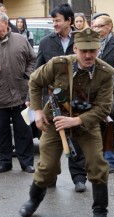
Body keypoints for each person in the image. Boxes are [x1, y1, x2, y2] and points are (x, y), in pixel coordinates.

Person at [19, 27, 114, 217]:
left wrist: (76, 121)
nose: (88, 55)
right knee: (47, 167)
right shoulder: (59, 64)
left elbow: (104, 108)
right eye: (84, 51)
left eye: (93, 50)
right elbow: (35, 81)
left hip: (87, 124)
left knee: (97, 165)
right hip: (55, 120)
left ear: (99, 49)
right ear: (75, 48)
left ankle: (100, 211)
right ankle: (33, 201)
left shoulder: (105, 72)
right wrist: (37, 111)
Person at [36, 3, 88, 192]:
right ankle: (50, 176)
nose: (54, 24)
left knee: (76, 138)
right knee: (50, 141)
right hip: (52, 100)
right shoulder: (45, 42)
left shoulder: (81, 39)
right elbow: (37, 73)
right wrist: (31, 100)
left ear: (69, 20)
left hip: (77, 98)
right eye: (53, 21)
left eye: (57, 20)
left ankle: (79, 178)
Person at [0, 11, 36, 174]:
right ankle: (4, 162)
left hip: (21, 94)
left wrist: (27, 74)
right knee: (1, 131)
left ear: (5, 24)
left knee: (24, 130)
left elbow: (33, 59)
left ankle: (26, 163)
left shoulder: (21, 40)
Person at [92, 15, 114, 173]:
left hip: (110, 92)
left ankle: (110, 160)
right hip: (91, 91)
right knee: (93, 125)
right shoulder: (92, 44)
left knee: (109, 125)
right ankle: (96, 158)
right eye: (95, 26)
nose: (97, 29)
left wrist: (111, 85)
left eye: (100, 26)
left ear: (110, 26)